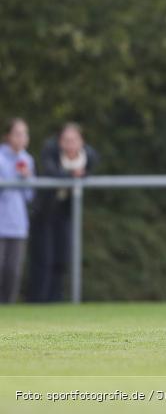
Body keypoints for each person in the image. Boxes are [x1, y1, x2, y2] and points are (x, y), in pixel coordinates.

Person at [28, 122, 99, 303]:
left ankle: (55, 300)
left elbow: (88, 172)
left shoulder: (89, 156)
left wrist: (80, 175)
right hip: (44, 212)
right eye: (66, 140)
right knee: (44, 259)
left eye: (74, 140)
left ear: (81, 141)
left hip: (65, 213)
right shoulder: (50, 151)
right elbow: (51, 172)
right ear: (60, 142)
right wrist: (73, 175)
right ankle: (38, 301)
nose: (70, 144)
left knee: (62, 257)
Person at [0, 118, 35, 304]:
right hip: (1, 221)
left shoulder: (27, 160)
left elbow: (30, 196)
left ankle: (8, 308)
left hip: (18, 224)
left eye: (25, 134)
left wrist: (26, 178)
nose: (22, 138)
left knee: (12, 272)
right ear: (8, 136)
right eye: (18, 134)